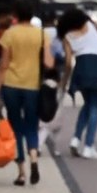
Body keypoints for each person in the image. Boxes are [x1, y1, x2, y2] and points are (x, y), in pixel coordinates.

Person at [0, 0, 54, 185]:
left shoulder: (10, 34)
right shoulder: (42, 35)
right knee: (31, 125)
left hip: (11, 84)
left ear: (16, 14)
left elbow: (3, 65)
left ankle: (21, 172)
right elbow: (48, 62)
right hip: (32, 86)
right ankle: (34, 158)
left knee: (15, 126)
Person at [63, 9, 97, 159]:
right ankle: (89, 146)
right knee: (95, 108)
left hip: (81, 69)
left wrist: (65, 81)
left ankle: (76, 138)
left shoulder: (67, 35)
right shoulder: (93, 25)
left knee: (88, 104)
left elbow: (67, 62)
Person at [37, 13, 69, 157]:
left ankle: (39, 142)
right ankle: (51, 146)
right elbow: (66, 60)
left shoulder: (41, 34)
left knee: (45, 109)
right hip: (57, 77)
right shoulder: (61, 37)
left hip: (42, 77)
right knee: (56, 113)